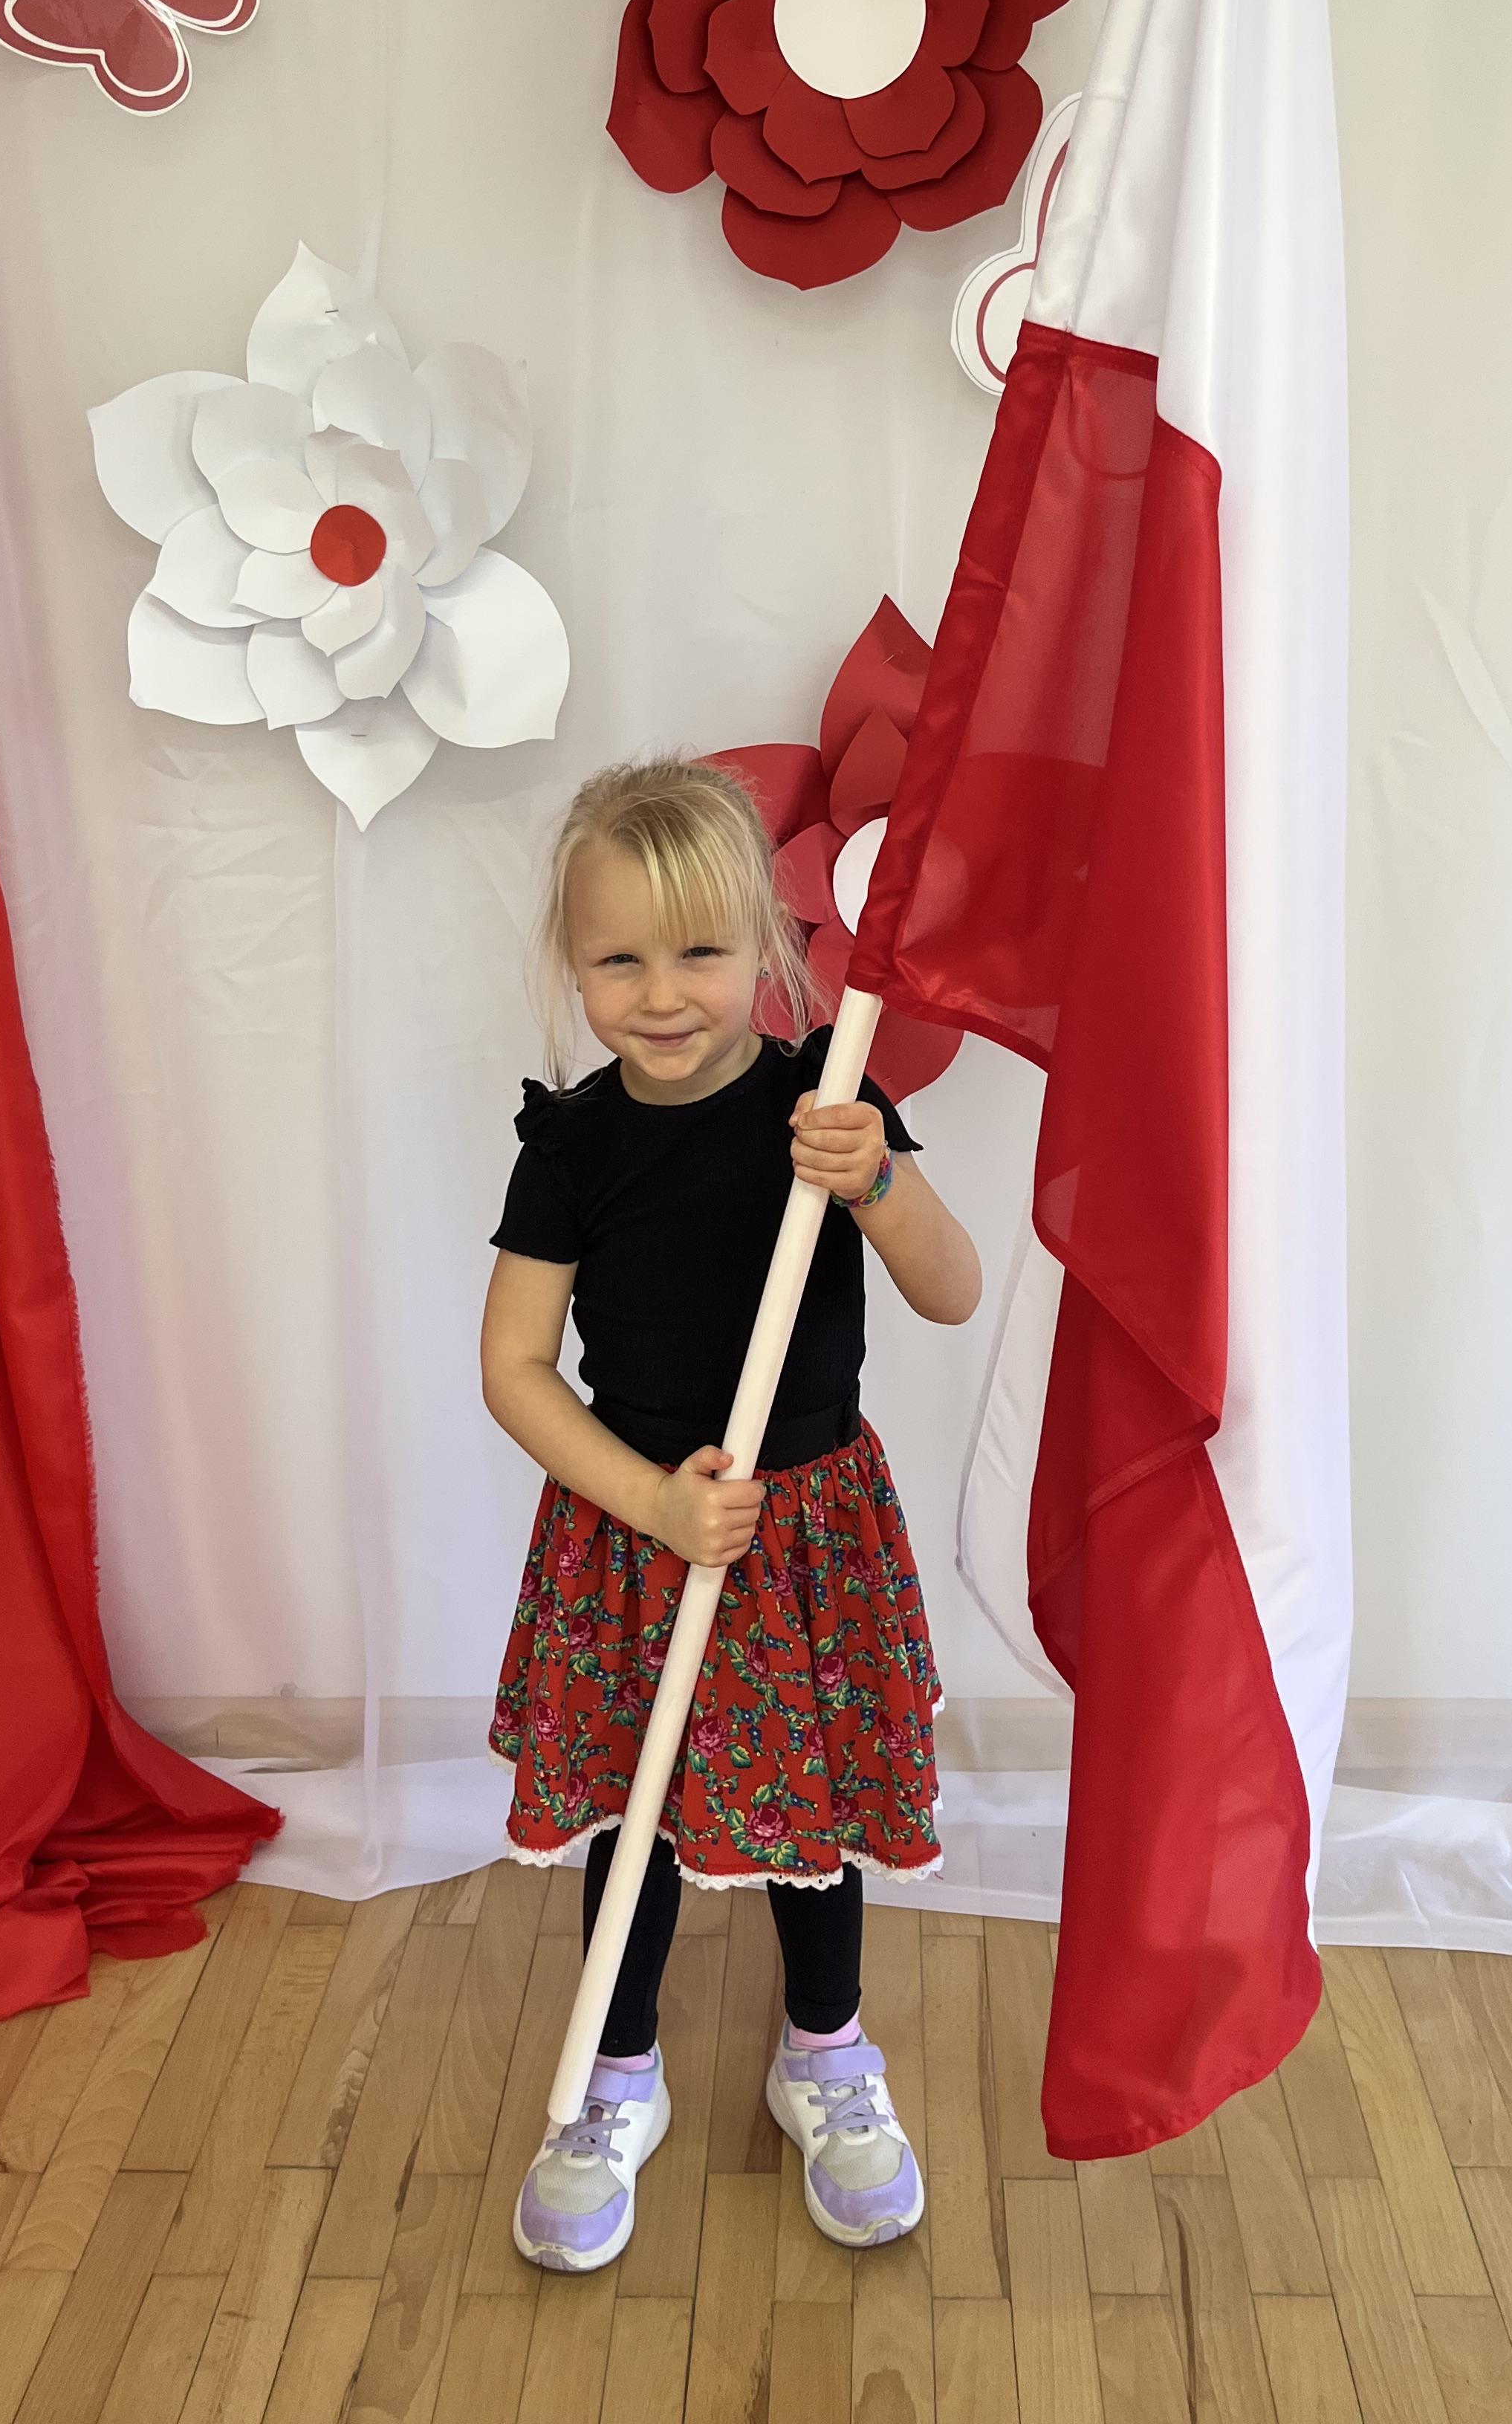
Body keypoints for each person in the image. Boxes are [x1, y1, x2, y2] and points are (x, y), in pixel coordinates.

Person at [482, 755, 981, 2273]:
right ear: (573, 964)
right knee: (633, 1808)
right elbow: (514, 1369)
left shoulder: (826, 1101)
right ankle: (613, 2073)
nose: (660, 994)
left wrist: (878, 1180)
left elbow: (953, 1291)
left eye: (699, 951)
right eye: (617, 959)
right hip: (642, 1538)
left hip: (808, 1535)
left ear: (765, 944)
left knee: (814, 1814)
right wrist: (648, 1499)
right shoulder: (572, 1147)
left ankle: (824, 2051)